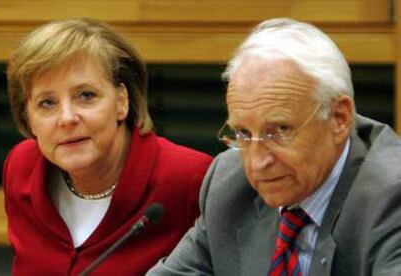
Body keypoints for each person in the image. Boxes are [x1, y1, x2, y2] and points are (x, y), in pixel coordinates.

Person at [147, 18, 401, 275]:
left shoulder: (392, 196)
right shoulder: (230, 186)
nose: (257, 163)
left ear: (339, 119)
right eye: (244, 133)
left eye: (279, 131)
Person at [3, 18, 212, 275]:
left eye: (86, 96)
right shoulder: (21, 167)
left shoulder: (190, 178)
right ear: (28, 119)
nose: (67, 118)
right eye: (47, 103)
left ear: (122, 101)